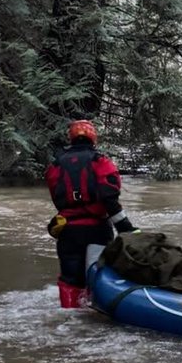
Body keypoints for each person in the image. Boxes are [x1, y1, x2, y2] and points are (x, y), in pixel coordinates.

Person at [44, 120, 135, 308]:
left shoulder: (55, 165)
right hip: (97, 230)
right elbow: (110, 200)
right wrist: (126, 229)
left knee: (70, 277)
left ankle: (70, 313)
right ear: (93, 137)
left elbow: (57, 196)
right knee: (98, 274)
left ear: (71, 137)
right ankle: (96, 311)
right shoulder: (101, 162)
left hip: (68, 230)